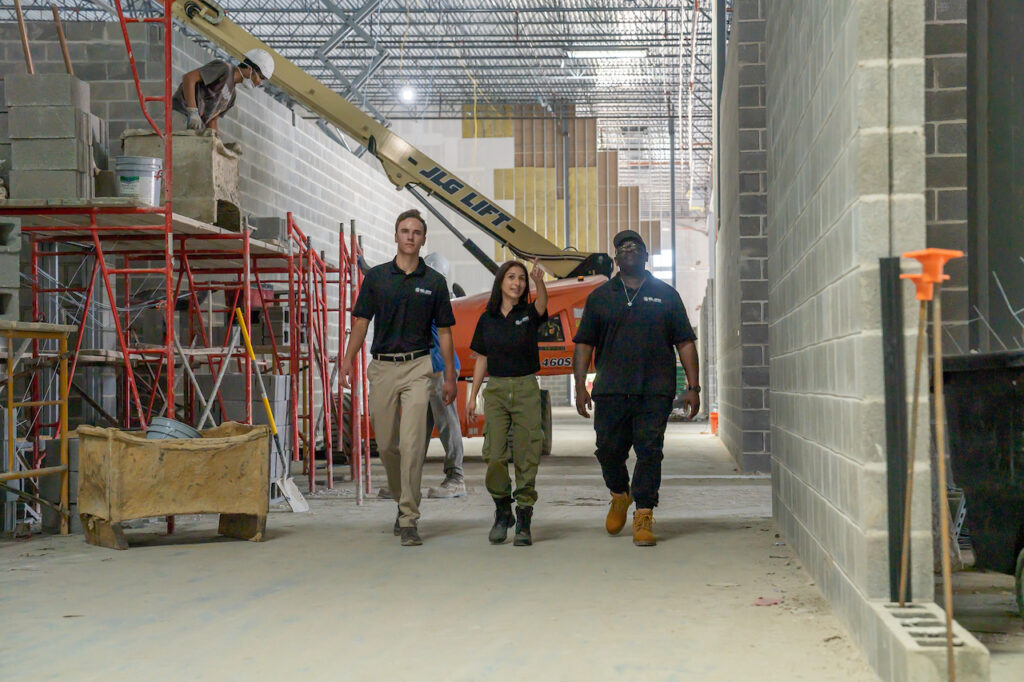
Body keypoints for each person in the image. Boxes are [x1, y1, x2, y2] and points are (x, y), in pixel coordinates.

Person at [572, 230, 700, 547]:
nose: (629, 251)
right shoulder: (600, 297)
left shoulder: (667, 295)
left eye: (635, 247)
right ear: (616, 259)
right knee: (608, 451)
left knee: (649, 453)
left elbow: (685, 342)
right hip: (611, 391)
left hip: (654, 392)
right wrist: (579, 386)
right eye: (622, 248)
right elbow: (584, 345)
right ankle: (619, 494)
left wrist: (694, 387)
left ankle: (643, 514)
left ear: (646, 256)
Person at [341, 209, 457, 546]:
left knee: (411, 445)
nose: (410, 236)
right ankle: (402, 496)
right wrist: (347, 361)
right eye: (404, 231)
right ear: (395, 236)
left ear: (423, 239)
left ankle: (409, 518)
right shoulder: (377, 278)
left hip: (419, 368)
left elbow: (446, 333)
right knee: (388, 445)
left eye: (416, 232)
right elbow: (361, 322)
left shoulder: (434, 283)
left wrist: (448, 375)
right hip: (383, 369)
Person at [467, 259, 548, 546]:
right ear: (500, 281)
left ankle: (524, 516)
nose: (517, 283)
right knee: (494, 454)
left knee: (527, 453)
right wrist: (473, 394)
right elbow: (482, 358)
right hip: (498, 389)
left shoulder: (529, 312)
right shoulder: (487, 318)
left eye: (522, 279)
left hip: (526, 386)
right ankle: (503, 510)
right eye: (511, 277)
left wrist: (539, 281)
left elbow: (542, 306)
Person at [423, 253, 467, 499]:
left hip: (440, 368)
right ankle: (405, 482)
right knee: (419, 428)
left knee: (447, 423)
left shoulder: (434, 296)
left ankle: (456, 478)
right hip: (427, 368)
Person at [171, 49, 275, 132]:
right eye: (261, 77)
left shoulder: (232, 96)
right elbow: (189, 78)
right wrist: (193, 111)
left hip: (195, 125)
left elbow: (212, 120)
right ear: (250, 68)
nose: (259, 82)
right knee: (171, 153)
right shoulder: (224, 69)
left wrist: (216, 142)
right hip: (180, 113)